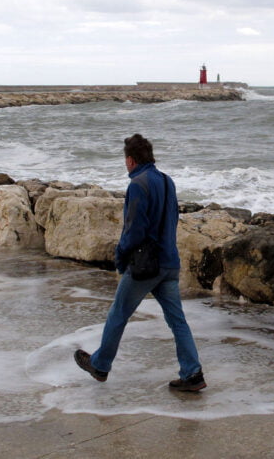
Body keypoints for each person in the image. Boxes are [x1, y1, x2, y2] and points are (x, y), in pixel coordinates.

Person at [74, 134, 206, 392]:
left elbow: (133, 230)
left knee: (118, 314)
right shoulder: (168, 182)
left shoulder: (137, 184)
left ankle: (100, 365)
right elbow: (171, 220)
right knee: (177, 321)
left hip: (146, 266)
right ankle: (192, 374)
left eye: (125, 160)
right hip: (170, 263)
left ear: (131, 160)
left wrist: (120, 258)